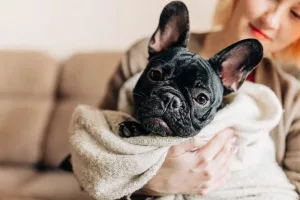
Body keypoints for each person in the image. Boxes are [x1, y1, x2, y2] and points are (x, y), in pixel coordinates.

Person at [100, 0, 300, 197]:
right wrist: (149, 183)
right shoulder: (140, 57)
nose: (271, 20)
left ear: (233, 77)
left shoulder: (292, 96)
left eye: (296, 13)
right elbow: (95, 148)